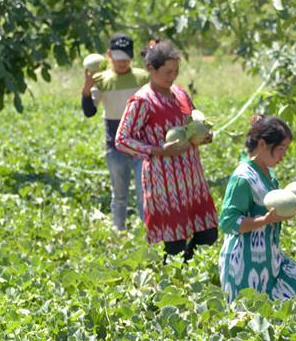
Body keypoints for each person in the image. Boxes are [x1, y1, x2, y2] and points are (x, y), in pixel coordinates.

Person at [115, 40, 218, 262]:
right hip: (165, 183)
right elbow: (122, 139)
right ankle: (173, 279)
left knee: (208, 234)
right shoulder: (142, 101)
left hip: (192, 178)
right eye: (167, 72)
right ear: (151, 70)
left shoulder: (180, 93)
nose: (172, 77)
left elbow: (192, 123)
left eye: (176, 72)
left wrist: (202, 136)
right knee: (175, 245)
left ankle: (190, 273)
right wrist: (158, 150)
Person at [217, 115, 296, 302]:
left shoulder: (268, 174)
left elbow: (273, 212)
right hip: (243, 267)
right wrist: (265, 220)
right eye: (281, 148)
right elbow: (228, 223)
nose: (284, 154)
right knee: (255, 316)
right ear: (262, 144)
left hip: (270, 262)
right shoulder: (242, 178)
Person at [81, 33, 149, 230]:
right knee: (119, 195)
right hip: (115, 147)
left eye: (126, 57)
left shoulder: (143, 78)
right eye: (118, 57)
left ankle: (147, 232)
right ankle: (118, 231)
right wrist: (87, 89)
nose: (122, 62)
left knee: (144, 194)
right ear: (109, 55)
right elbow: (89, 111)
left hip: (141, 145)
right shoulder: (102, 80)